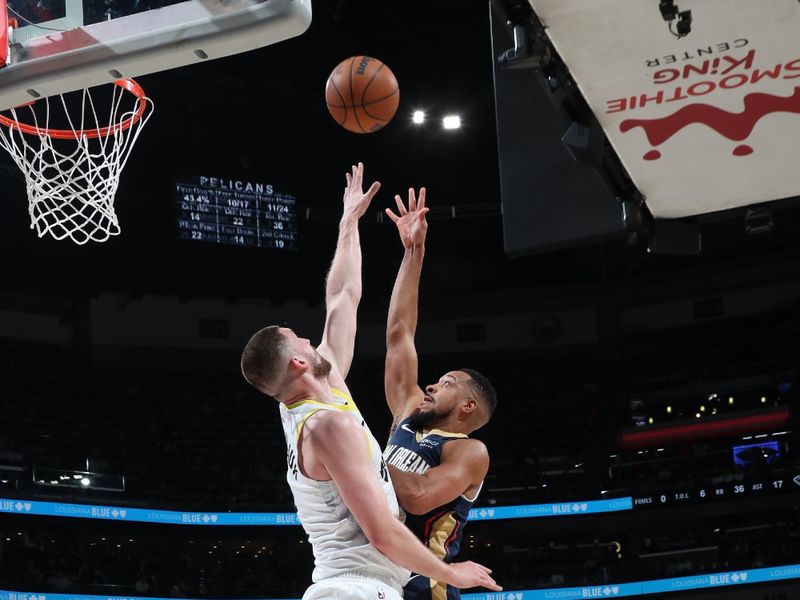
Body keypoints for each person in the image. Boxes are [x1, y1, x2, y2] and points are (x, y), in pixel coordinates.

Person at [241, 164, 501, 600]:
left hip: (391, 581)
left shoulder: (325, 392)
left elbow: (343, 296)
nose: (310, 337)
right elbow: (388, 522)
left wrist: (350, 223)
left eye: (447, 382)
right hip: (360, 584)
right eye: (300, 340)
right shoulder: (332, 424)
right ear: (300, 364)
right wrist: (458, 575)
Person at [383, 187, 497, 600]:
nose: (431, 384)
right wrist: (413, 253)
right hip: (375, 574)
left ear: (468, 406)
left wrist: (357, 451)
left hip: (423, 586)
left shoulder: (470, 452)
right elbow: (399, 335)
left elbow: (416, 497)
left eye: (446, 383)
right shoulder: (409, 413)